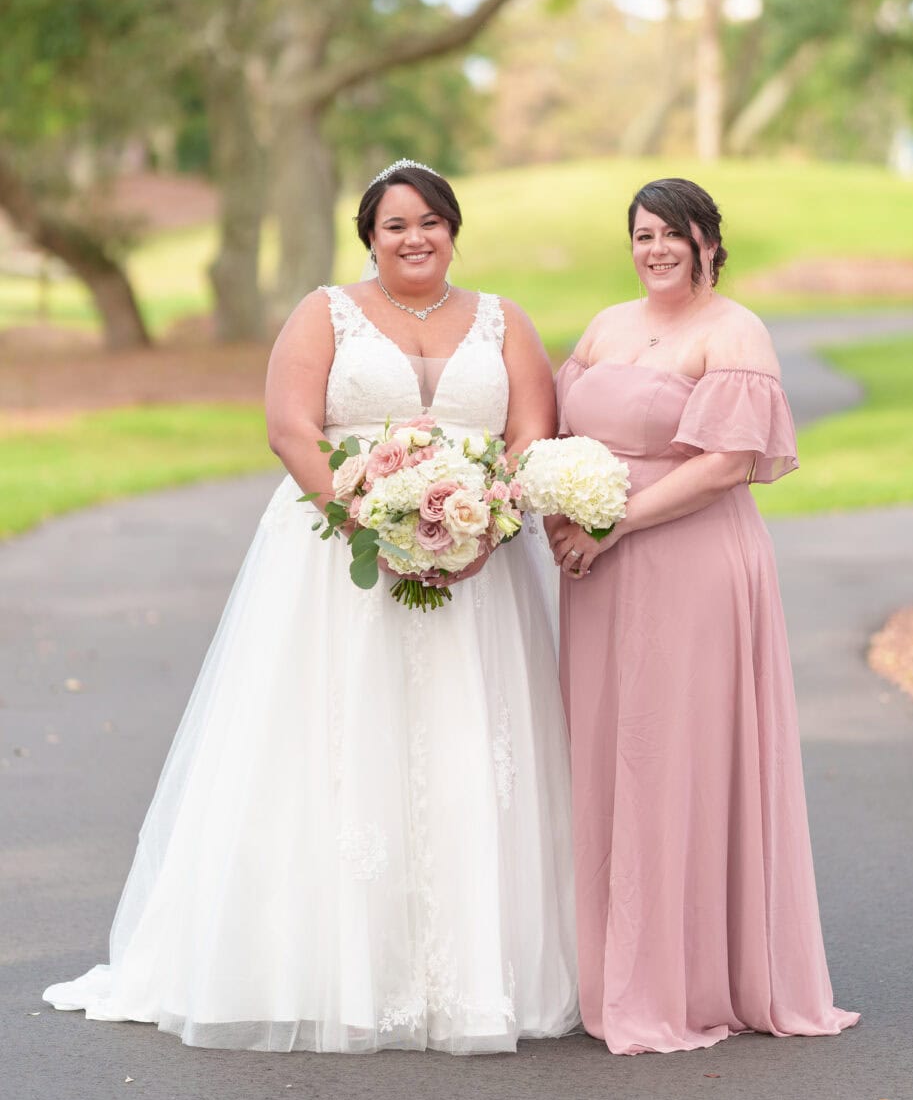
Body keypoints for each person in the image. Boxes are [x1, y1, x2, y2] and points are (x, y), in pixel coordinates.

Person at [44, 161, 578, 1054]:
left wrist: (485, 524)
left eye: (431, 222)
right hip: (341, 562)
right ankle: (338, 965)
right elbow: (290, 426)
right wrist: (374, 522)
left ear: (454, 230)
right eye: (396, 224)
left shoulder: (504, 320)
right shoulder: (323, 312)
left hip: (482, 564)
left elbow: (530, 430)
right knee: (341, 740)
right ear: (369, 235)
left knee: (467, 742)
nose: (415, 238)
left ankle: (478, 974)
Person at [550, 177, 858, 1056]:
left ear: (707, 242)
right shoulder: (609, 324)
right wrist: (563, 515)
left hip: (688, 563)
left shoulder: (734, 332)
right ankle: (607, 968)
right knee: (607, 751)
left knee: (673, 752)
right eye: (642, 235)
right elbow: (562, 432)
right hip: (595, 568)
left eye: (671, 235)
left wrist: (615, 524)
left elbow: (727, 463)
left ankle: (685, 979)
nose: (654, 250)